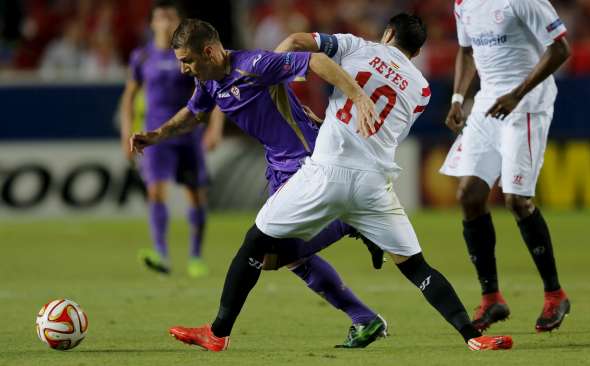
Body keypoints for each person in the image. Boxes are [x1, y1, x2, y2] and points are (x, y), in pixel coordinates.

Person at [159, 14, 513, 352]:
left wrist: (275, 73)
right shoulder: (422, 90)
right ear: (417, 52)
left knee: (256, 244)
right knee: (418, 268)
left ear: (387, 34)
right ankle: (472, 336)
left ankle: (218, 333)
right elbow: (389, 125)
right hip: (375, 185)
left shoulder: (358, 46)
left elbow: (305, 48)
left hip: (325, 173)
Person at [130, 18, 389, 348]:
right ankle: (364, 317)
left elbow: (316, 60)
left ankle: (352, 223)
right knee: (284, 258)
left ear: (209, 51)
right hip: (279, 166)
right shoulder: (209, 81)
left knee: (264, 250)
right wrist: (156, 135)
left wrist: (358, 97)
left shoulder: (254, 65)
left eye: (187, 61)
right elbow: (193, 113)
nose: (184, 70)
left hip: (305, 161)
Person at [439, 0, 572, 332]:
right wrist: (458, 98)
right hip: (487, 102)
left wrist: (517, 93)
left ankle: (555, 295)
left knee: (517, 200)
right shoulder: (463, 3)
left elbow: (560, 49)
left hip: (526, 104)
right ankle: (492, 299)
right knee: (469, 195)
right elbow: (466, 51)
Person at [119, 1, 224, 278]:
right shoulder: (141, 57)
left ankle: (196, 257)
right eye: (160, 18)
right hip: (156, 135)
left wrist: (215, 129)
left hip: (189, 133)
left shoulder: (189, 56)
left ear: (178, 22)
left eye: (170, 18)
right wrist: (126, 131)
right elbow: (129, 97)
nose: (165, 23)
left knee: (196, 195)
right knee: (155, 191)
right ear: (152, 23)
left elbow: (213, 90)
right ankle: (161, 253)